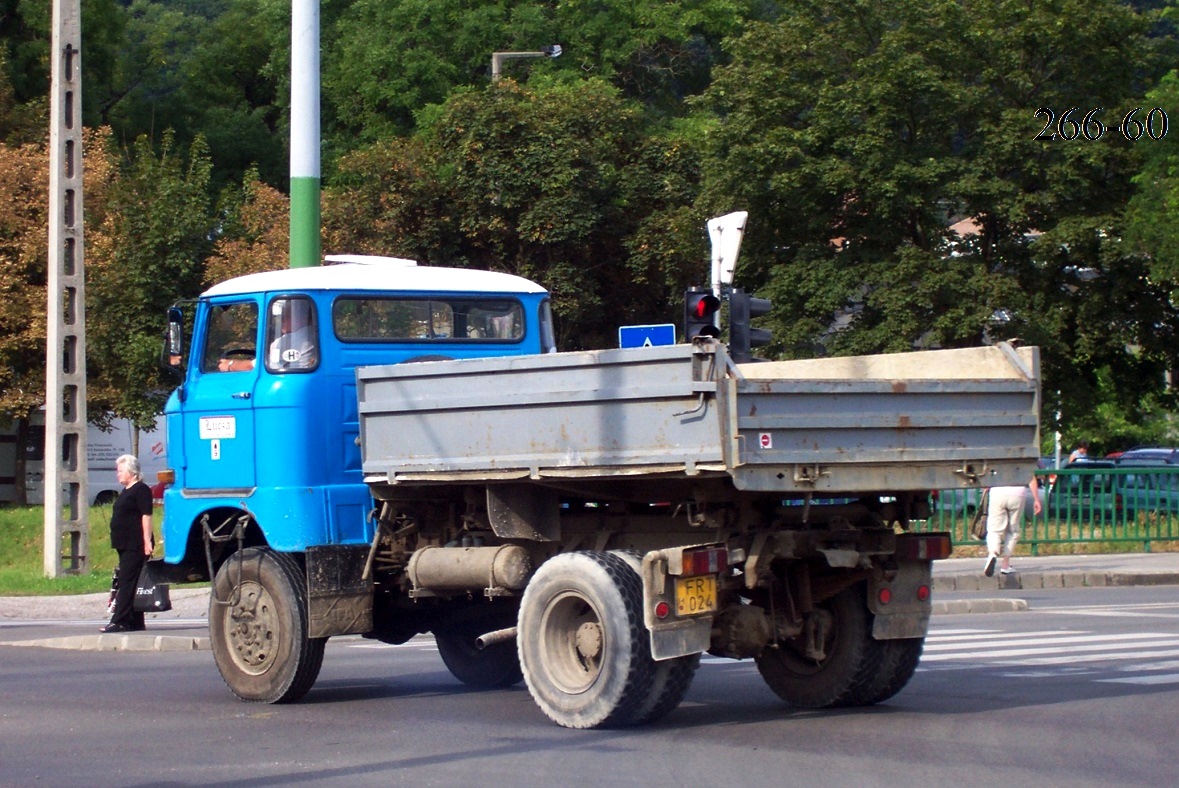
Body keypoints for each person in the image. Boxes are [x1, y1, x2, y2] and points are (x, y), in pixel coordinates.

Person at [101, 454, 155, 633]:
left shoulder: (141, 489)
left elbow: (146, 516)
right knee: (131, 581)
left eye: (120, 471)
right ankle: (135, 621)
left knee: (126, 582)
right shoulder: (127, 490)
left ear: (132, 472)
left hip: (136, 543)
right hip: (124, 544)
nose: (118, 474)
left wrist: (147, 541)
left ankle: (119, 620)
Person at [983, 475, 1041, 577]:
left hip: (998, 492)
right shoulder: (1022, 459)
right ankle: (1005, 565)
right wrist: (1036, 499)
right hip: (1018, 494)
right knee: (1012, 530)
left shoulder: (996, 459)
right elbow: (1030, 477)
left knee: (994, 530)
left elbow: (986, 475)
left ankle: (993, 553)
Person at [268, 300, 317, 370]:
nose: (282, 320)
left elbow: (253, 366)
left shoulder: (284, 342)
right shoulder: (318, 335)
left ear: (301, 318)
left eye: (286, 316)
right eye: (282, 316)